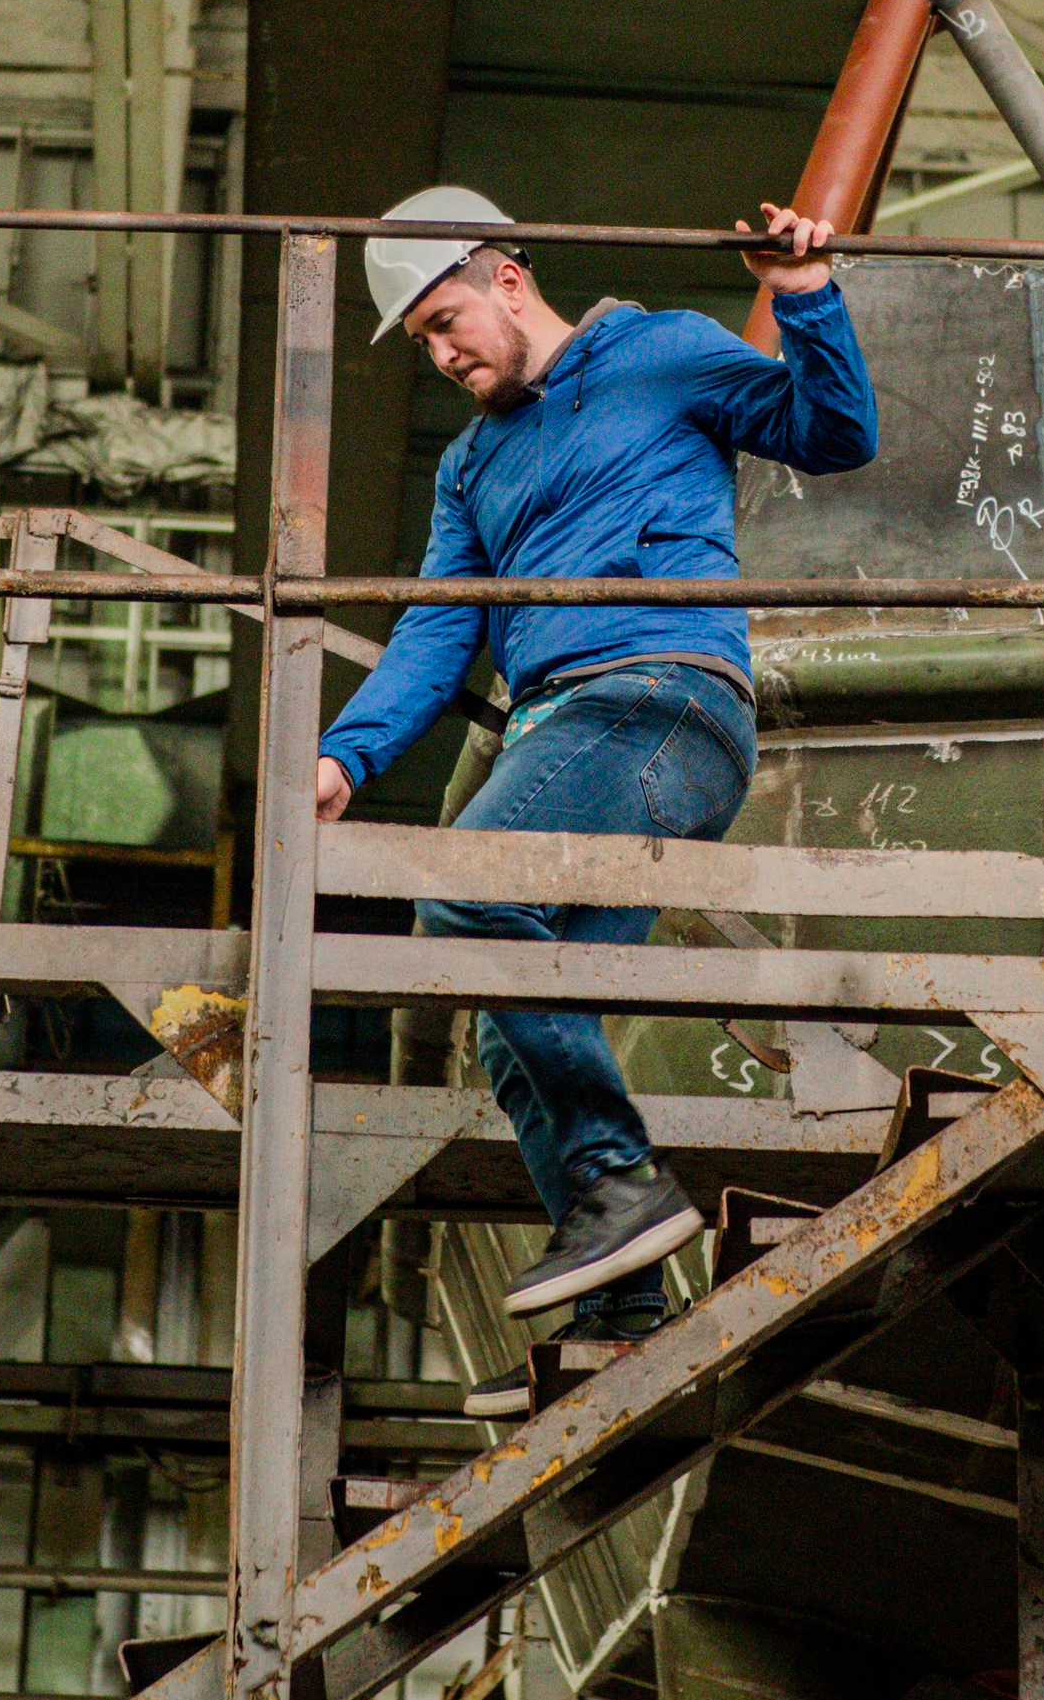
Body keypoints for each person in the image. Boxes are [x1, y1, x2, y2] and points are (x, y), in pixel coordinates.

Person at [314, 185, 879, 1415]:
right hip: (560, 723)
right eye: (423, 341)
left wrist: (806, 297)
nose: (445, 351)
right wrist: (345, 757)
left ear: (509, 275)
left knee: (464, 898)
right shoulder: (471, 464)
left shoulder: (662, 352)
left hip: (659, 698)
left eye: (448, 319)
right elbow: (435, 627)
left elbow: (832, 433)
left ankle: (623, 1183)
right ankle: (625, 1306)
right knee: (508, 1013)